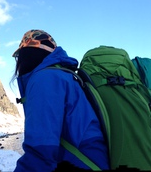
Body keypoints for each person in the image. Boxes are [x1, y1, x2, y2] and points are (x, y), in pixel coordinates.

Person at [12, 29, 109, 171]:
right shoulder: (63, 76)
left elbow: (40, 153)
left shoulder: (44, 80)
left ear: (28, 54)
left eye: (19, 56)